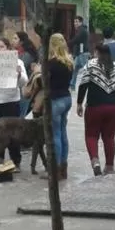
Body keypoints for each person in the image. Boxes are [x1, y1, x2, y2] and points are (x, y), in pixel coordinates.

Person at [77, 43, 115, 176]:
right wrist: (113, 84)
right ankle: (109, 166)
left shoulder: (91, 65)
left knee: (91, 135)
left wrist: (79, 103)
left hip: (94, 106)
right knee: (109, 137)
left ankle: (95, 160)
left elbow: (83, 84)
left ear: (96, 52)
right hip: (113, 108)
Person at [0, 38, 28, 169]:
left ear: (8, 48)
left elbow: (23, 82)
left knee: (13, 133)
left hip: (11, 101)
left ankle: (16, 161)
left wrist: (19, 75)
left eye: (2, 46)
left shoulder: (17, 61)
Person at [46, 33, 74, 179]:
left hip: (55, 100)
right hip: (67, 98)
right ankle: (63, 167)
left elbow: (46, 83)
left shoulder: (51, 63)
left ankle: (55, 170)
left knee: (55, 134)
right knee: (63, 133)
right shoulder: (69, 62)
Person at [14, 31, 40, 116]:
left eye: (15, 38)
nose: (13, 41)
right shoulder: (16, 52)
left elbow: (20, 66)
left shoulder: (27, 55)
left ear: (21, 41)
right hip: (16, 88)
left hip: (25, 87)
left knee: (20, 114)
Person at [68, 16, 90, 90]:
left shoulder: (82, 30)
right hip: (79, 53)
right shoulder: (80, 30)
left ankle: (90, 85)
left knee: (86, 70)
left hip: (83, 53)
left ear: (81, 22)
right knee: (75, 69)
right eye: (74, 22)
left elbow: (76, 40)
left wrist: (67, 43)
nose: (75, 23)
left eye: (77, 22)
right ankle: (72, 85)